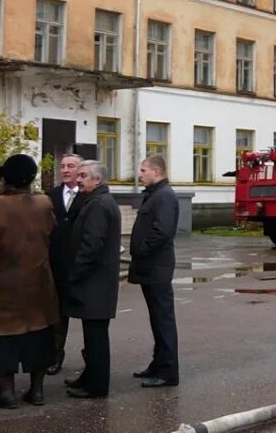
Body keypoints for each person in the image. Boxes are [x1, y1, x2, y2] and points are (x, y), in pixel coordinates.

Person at [0, 154, 59, 409]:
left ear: (6, 177)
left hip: (3, 284)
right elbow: (51, 233)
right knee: (40, 334)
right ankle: (37, 390)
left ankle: (7, 392)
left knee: (2, 338)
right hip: (39, 282)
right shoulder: (44, 203)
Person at [62, 161, 121, 399]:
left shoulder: (98, 204)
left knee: (96, 338)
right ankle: (90, 378)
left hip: (95, 283)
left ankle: (96, 386)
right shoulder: (96, 201)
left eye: (84, 175)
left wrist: (74, 274)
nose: (78, 179)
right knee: (93, 335)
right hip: (97, 283)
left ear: (97, 180)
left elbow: (91, 245)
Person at [128, 154, 180, 388]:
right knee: (157, 320)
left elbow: (161, 232)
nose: (140, 174)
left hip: (157, 267)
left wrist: (141, 250)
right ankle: (158, 364)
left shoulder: (164, 196)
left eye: (143, 170)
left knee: (163, 320)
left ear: (157, 172)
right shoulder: (156, 195)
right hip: (151, 268)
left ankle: (168, 372)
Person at [45, 153, 83, 376]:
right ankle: (54, 355)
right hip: (56, 264)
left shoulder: (88, 196)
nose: (66, 170)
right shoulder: (51, 196)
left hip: (79, 264)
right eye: (63, 166)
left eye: (71, 166)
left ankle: (91, 359)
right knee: (56, 315)